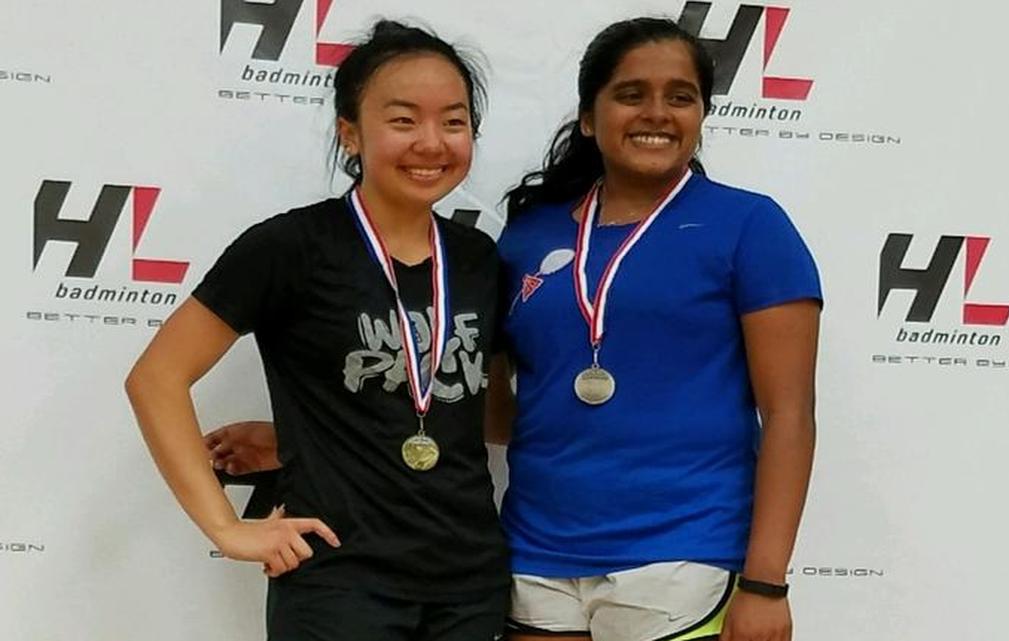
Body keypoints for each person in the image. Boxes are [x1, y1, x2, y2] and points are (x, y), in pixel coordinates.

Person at [210, 16, 821, 641]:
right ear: (589, 116)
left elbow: (790, 415)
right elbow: (479, 402)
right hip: (536, 555)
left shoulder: (750, 227)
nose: (656, 113)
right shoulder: (529, 238)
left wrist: (766, 582)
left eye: (681, 96)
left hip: (680, 554)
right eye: (631, 94)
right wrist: (315, 441)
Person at [125, 20, 509, 641]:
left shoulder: (479, 259)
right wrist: (228, 528)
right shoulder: (292, 247)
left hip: (469, 585)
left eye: (454, 121)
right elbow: (155, 378)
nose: (431, 142)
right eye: (404, 120)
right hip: (338, 583)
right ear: (350, 133)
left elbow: (475, 412)